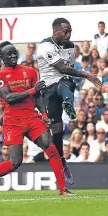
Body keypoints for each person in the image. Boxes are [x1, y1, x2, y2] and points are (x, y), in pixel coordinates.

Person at [0, 41, 71, 196]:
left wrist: (44, 115)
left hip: (32, 118)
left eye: (14, 52)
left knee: (50, 147)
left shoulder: (30, 71)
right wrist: (32, 90)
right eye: (9, 54)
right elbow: (9, 97)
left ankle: (63, 189)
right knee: (15, 162)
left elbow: (38, 96)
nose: (13, 55)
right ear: (2, 57)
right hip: (13, 122)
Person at [36, 18, 102, 185]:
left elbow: (69, 70)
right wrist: (88, 75)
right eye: (65, 31)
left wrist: (79, 73)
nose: (68, 34)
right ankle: (62, 162)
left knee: (67, 82)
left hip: (63, 83)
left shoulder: (70, 47)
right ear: (55, 30)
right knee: (57, 131)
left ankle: (68, 103)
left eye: (70, 31)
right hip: (47, 89)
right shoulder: (45, 46)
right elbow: (63, 67)